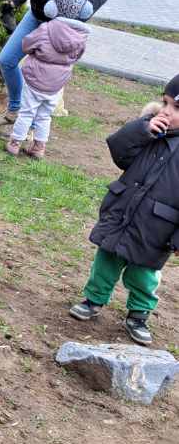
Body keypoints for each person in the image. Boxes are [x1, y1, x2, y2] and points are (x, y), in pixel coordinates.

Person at [69, 76, 179, 345]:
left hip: (157, 228)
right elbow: (119, 152)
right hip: (122, 213)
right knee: (106, 260)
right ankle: (94, 299)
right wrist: (143, 130)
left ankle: (139, 314)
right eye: (165, 103)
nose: (166, 111)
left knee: (143, 274)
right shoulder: (151, 132)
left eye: (176, 108)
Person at [6, 0, 91, 159]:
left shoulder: (45, 28)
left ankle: (15, 143)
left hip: (35, 79)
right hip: (56, 85)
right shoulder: (81, 36)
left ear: (53, 8)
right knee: (44, 116)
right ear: (84, 11)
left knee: (27, 112)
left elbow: (27, 45)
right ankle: (39, 147)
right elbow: (77, 56)